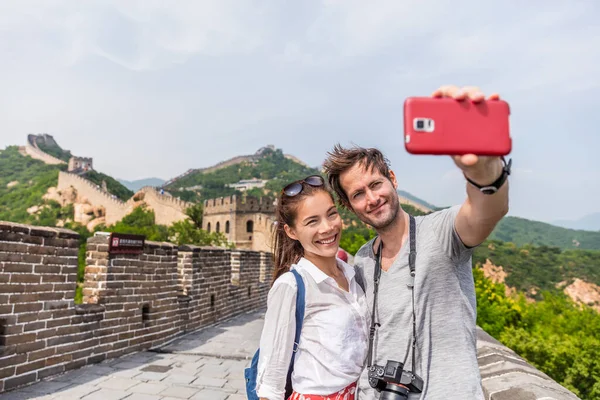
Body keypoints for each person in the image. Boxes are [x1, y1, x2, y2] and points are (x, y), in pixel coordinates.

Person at [322, 85, 511, 400]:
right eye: (358, 194)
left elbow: (487, 210)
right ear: (350, 206)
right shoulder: (363, 259)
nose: (371, 199)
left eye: (376, 184)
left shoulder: (440, 233)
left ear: (393, 180)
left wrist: (485, 172)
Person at [254, 175, 370, 400]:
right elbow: (271, 381)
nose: (327, 228)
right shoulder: (291, 286)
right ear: (291, 232)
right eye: (312, 221)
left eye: (331, 214)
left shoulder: (353, 275)